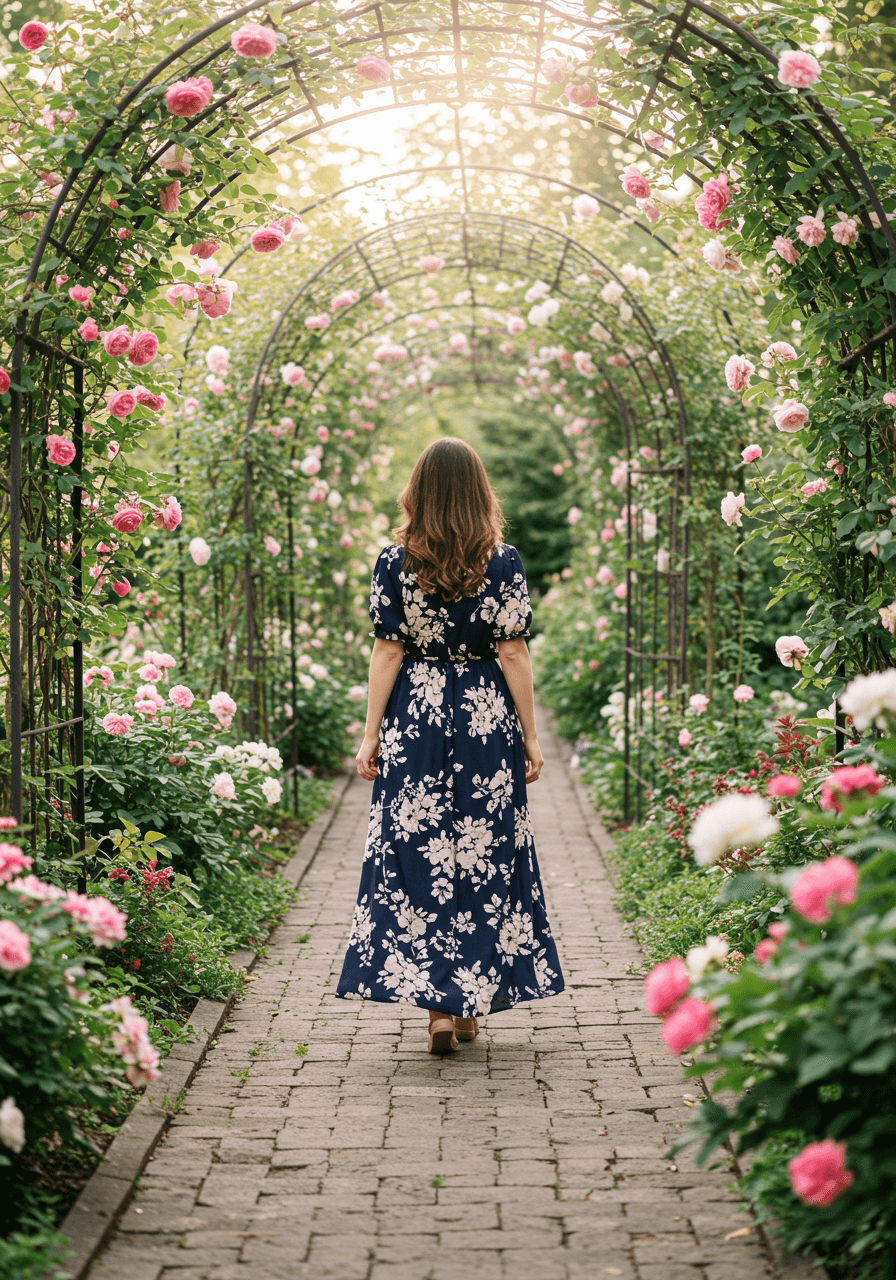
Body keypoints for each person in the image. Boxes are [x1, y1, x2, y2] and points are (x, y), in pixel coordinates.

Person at [336, 437, 565, 1053]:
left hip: (417, 715)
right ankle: (468, 1006)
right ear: (478, 493)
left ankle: (439, 1008)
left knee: (421, 858)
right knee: (484, 853)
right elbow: (513, 650)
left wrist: (370, 734)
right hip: (485, 718)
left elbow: (388, 650)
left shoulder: (394, 561)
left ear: (421, 491)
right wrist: (531, 737)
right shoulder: (504, 562)